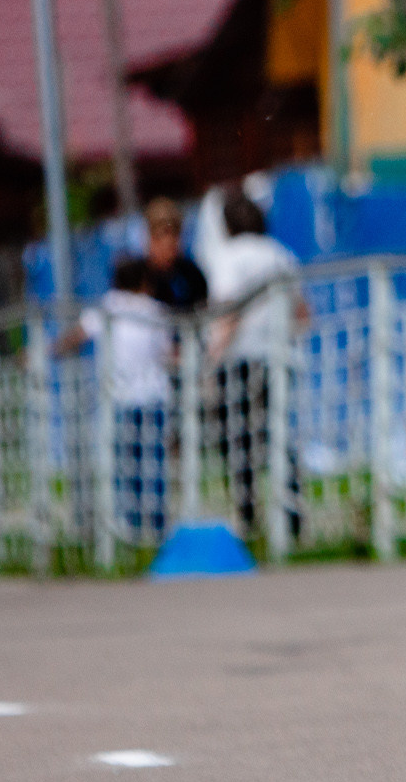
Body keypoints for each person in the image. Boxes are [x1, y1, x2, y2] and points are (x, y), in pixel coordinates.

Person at [204, 192, 307, 542]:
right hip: (278, 356)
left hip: (240, 358)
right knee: (276, 435)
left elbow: (228, 309)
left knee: (238, 438)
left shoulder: (229, 256)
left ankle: (249, 517)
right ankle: (293, 518)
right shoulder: (280, 254)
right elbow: (302, 313)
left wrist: (213, 354)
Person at [58, 258, 176, 541]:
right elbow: (167, 351)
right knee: (154, 463)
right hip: (154, 395)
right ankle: (155, 525)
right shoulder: (154, 310)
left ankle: (131, 526)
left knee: (126, 464)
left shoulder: (108, 307)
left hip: (120, 398)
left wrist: (51, 350)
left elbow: (79, 334)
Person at [138, 198, 209, 314]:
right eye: (160, 236)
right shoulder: (139, 279)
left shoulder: (192, 274)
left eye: (175, 235)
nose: (169, 244)